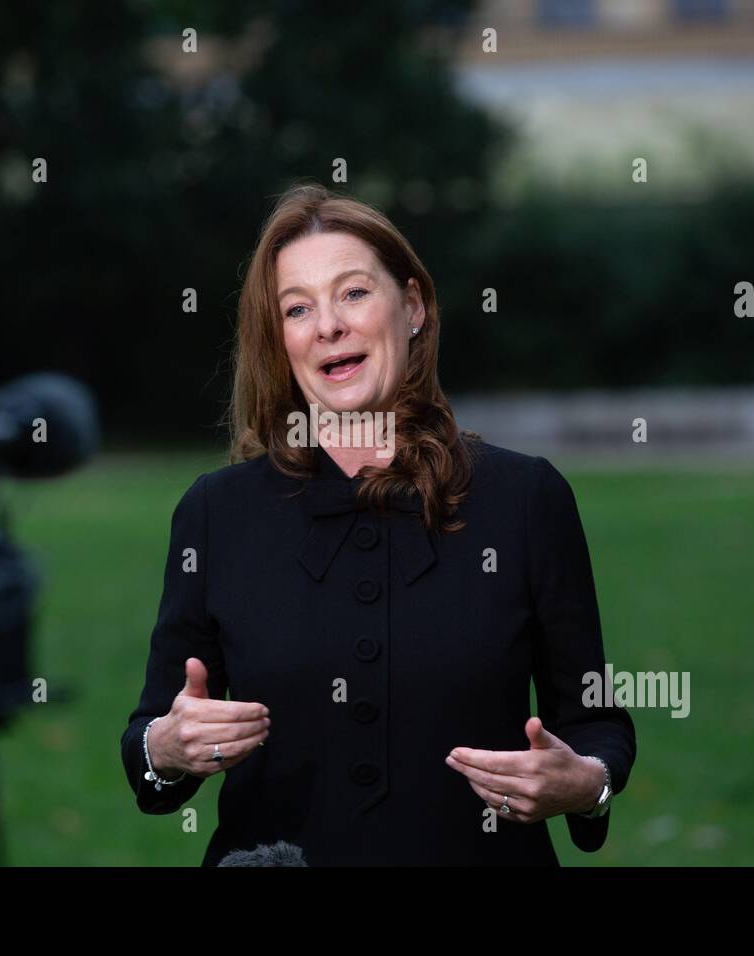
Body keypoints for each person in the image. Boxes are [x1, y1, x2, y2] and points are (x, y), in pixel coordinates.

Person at [120, 183, 635, 866]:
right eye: (297, 308)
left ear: (413, 307)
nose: (328, 325)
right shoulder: (217, 514)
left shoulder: (526, 498)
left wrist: (585, 785)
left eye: (353, 293)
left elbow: (595, 723)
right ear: (280, 341)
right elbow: (148, 744)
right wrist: (166, 746)